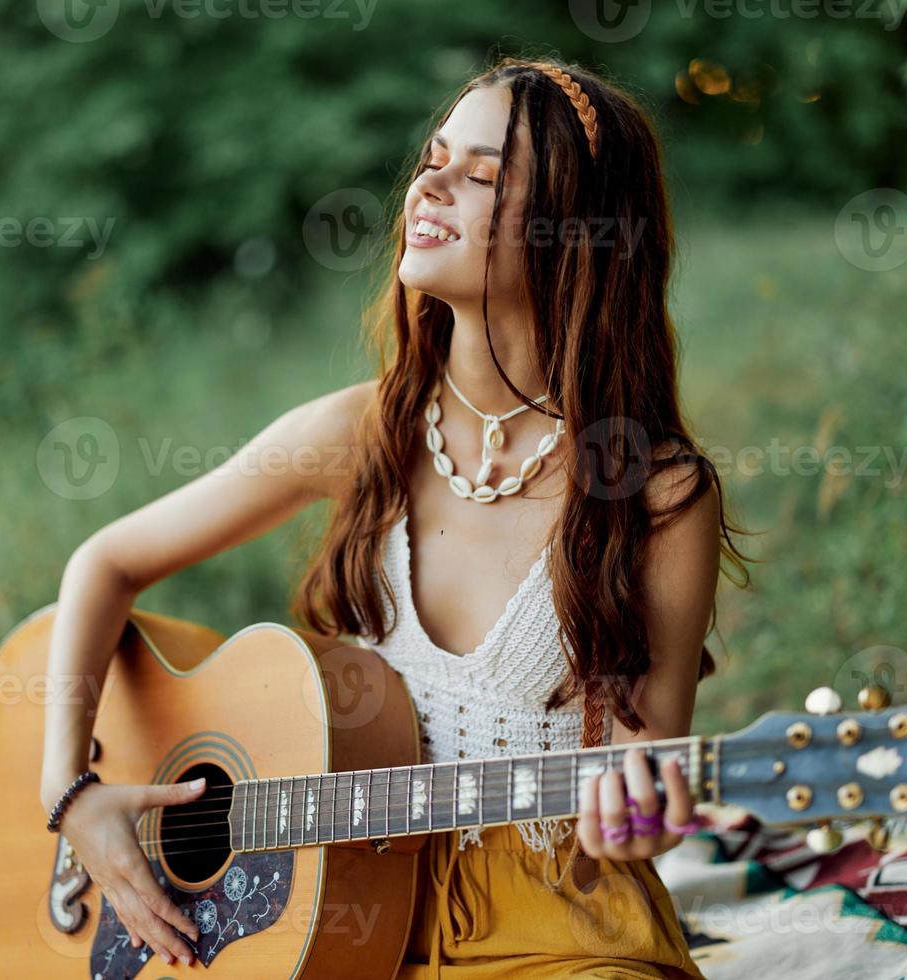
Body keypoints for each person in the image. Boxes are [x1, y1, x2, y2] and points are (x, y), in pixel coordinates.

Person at [38, 54, 747, 977]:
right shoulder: (359, 432)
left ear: (578, 236)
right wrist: (72, 792)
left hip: (556, 932)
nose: (431, 184)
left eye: (483, 174)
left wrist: (640, 816)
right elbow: (106, 563)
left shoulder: (656, 498)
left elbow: (635, 817)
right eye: (434, 157)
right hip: (336, 912)